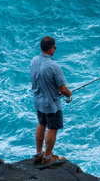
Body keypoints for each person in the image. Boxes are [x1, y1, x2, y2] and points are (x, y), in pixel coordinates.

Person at [30, 36, 72, 164]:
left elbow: (42, 81)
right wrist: (69, 94)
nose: (55, 49)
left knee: (41, 124)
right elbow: (63, 88)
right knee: (52, 128)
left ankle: (38, 153)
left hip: (38, 101)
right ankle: (47, 157)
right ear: (50, 49)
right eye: (55, 47)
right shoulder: (54, 66)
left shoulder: (34, 61)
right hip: (51, 104)